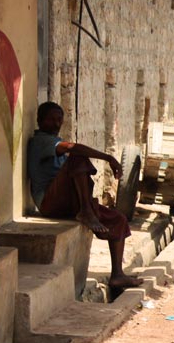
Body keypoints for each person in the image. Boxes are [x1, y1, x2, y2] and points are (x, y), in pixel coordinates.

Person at [27, 102, 143, 289]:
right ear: (40, 121)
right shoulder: (41, 141)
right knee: (78, 156)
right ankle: (87, 211)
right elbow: (73, 148)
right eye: (51, 119)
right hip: (49, 203)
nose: (56, 124)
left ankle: (117, 275)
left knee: (119, 220)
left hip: (68, 202)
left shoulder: (55, 142)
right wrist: (108, 158)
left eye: (59, 120)